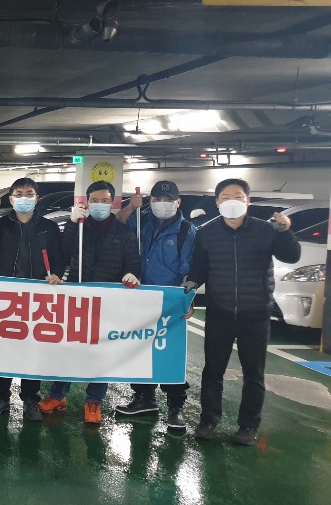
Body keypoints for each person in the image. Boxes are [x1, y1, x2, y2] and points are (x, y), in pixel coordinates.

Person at [186, 178, 301, 445]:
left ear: (248, 201)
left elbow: (292, 256)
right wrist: (189, 288)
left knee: (254, 373)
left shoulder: (266, 230)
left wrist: (285, 232)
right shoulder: (207, 233)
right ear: (217, 203)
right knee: (213, 370)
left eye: (238, 197)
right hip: (220, 311)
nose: (232, 202)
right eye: (225, 198)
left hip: (256, 314)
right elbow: (200, 268)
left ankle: (248, 426)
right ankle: (208, 420)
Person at [39, 180, 142, 424]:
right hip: (79, 297)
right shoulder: (79, 227)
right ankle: (58, 395)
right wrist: (72, 223)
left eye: (105, 200)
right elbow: (64, 251)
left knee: (101, 352)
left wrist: (132, 275)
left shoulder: (124, 233)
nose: (100, 204)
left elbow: (134, 264)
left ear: (112, 203)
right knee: (70, 348)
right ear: (87, 202)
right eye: (95, 200)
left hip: (107, 302)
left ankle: (94, 401)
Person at [0, 178, 65, 422]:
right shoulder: (3, 224)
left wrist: (57, 273)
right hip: (7, 296)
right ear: (11, 199)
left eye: (29, 194)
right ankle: (0, 396)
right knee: (4, 347)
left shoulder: (48, 227)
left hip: (37, 297)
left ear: (37, 198)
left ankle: (30, 398)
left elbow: (59, 257)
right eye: (18, 194)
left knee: (32, 349)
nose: (23, 198)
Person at [113, 180, 196, 430]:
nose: (162, 204)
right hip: (141, 297)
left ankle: (175, 406)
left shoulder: (187, 231)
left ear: (178, 202)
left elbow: (189, 269)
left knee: (169, 352)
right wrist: (130, 206)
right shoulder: (142, 222)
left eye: (167, 200)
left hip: (169, 301)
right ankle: (144, 398)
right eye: (157, 199)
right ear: (150, 201)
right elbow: (118, 224)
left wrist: (187, 301)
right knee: (141, 349)